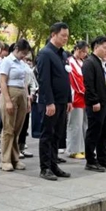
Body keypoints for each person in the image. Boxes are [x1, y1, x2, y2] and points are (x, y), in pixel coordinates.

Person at [36, 22, 73, 181]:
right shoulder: (45, 53)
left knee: (57, 134)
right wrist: (49, 102)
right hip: (51, 102)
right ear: (53, 34)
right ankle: (45, 167)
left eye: (67, 36)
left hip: (62, 101)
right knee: (47, 134)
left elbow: (66, 78)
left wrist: (69, 99)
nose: (65, 39)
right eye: (62, 35)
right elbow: (44, 80)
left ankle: (53, 164)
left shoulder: (63, 55)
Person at [82, 36, 106, 172]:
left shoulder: (104, 63)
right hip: (96, 104)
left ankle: (102, 158)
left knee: (104, 133)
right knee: (94, 132)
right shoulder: (90, 62)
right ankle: (90, 160)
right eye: (105, 47)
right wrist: (94, 101)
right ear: (96, 47)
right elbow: (89, 84)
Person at [0, 39, 32, 171]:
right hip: (10, 92)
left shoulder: (22, 63)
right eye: (23, 53)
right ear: (16, 49)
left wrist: (27, 99)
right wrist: (7, 101)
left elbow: (25, 82)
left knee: (17, 129)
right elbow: (2, 81)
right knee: (8, 128)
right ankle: (5, 159)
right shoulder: (7, 61)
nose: (24, 56)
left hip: (22, 93)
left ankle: (15, 157)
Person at [66, 41, 88, 159]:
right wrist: (85, 90)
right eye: (83, 52)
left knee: (83, 124)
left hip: (84, 97)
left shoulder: (82, 62)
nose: (85, 54)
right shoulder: (70, 62)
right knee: (75, 124)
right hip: (76, 97)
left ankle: (82, 148)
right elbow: (75, 80)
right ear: (78, 50)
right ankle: (73, 149)